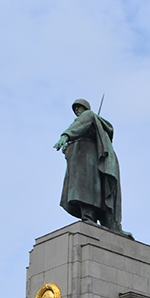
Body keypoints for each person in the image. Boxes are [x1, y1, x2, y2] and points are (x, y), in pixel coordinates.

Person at [53, 99, 123, 233]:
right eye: (75, 109)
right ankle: (90, 217)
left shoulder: (88, 115)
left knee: (85, 188)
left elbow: (79, 125)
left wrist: (65, 136)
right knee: (85, 188)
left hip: (86, 158)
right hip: (80, 158)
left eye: (79, 107)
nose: (77, 111)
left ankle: (89, 216)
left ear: (85, 108)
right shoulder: (84, 121)